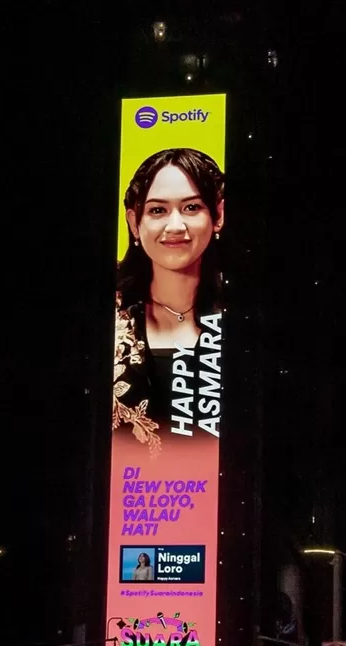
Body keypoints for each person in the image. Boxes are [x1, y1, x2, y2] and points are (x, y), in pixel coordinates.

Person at [113, 148, 225, 453]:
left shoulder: (248, 314)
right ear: (135, 222)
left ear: (218, 214)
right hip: (131, 495)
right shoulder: (106, 317)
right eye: (157, 211)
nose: (175, 226)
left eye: (191, 207)